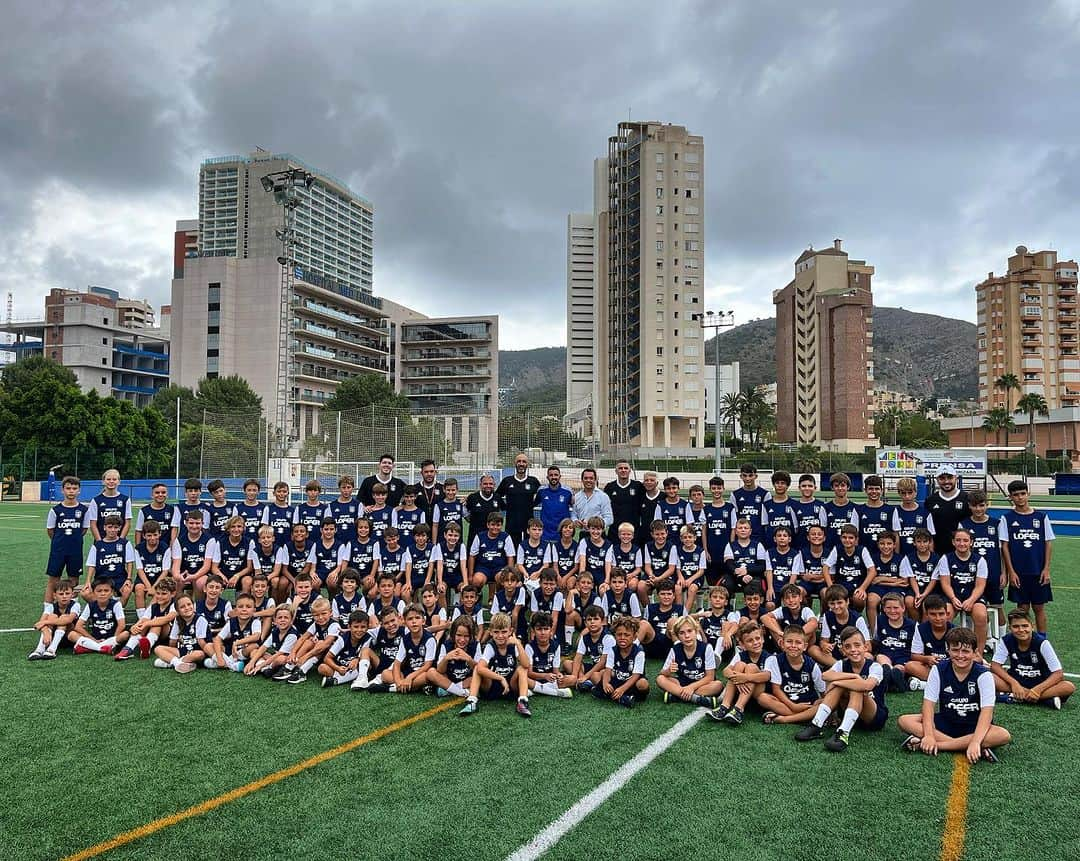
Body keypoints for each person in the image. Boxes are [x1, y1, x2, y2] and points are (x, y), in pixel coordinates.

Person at [897, 627, 1011, 763]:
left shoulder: (984, 675)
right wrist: (928, 735)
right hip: (947, 721)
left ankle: (940, 745)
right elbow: (928, 706)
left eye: (966, 651)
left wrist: (975, 741)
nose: (960, 655)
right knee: (904, 721)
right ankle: (974, 746)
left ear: (975, 653)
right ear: (948, 650)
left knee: (1003, 735)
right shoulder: (938, 669)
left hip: (974, 725)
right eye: (955, 650)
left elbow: (987, 714)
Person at [795, 626, 888, 752]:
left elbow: (867, 686)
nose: (853, 650)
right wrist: (853, 677)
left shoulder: (875, 666)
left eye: (857, 645)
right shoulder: (841, 664)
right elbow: (825, 675)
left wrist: (838, 682)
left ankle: (843, 734)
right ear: (843, 650)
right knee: (842, 686)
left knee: (857, 689)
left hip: (873, 717)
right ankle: (816, 725)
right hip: (848, 714)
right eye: (848, 647)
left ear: (865, 647)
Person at [999, 479, 1054, 634]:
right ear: (1010, 497)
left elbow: (1048, 544)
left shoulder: (1041, 517)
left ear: (1028, 494)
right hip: (1019, 572)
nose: (1020, 498)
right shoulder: (1007, 518)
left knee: (1039, 607)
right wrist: (1011, 572)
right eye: (1016, 495)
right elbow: (1004, 546)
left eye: (1023, 494)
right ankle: (1022, 638)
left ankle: (1042, 641)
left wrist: (1046, 569)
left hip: (1038, 571)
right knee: (1022, 608)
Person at [991, 609, 1074, 708]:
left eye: (1025, 626)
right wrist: (1014, 683)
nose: (1021, 630)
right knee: (989, 676)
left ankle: (1015, 697)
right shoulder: (1006, 640)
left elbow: (1058, 673)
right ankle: (1044, 700)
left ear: (1032, 626)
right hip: (1017, 681)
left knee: (1068, 687)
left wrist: (1037, 690)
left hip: (1041, 684)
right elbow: (995, 666)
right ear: (1010, 628)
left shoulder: (1042, 643)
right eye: (1016, 626)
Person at [461, 612, 532, 717]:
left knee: (522, 669)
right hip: (492, 687)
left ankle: (522, 701)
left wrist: (518, 643)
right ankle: (471, 701)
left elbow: (526, 665)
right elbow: (480, 668)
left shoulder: (513, 645)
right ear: (490, 632)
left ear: (510, 631)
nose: (500, 636)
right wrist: (500, 678)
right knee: (477, 668)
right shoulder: (491, 646)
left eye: (504, 632)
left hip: (511, 688)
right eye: (496, 632)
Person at [934, 526, 989, 654]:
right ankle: (945, 651)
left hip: (973, 596)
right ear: (953, 542)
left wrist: (971, 600)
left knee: (981, 615)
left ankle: (978, 653)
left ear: (971, 542)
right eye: (958, 540)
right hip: (952, 595)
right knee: (943, 617)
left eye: (965, 540)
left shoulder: (980, 560)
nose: (962, 543)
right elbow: (945, 583)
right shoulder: (945, 559)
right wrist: (953, 598)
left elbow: (980, 585)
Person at [757, 626, 825, 726]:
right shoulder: (775, 660)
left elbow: (823, 692)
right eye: (789, 641)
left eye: (798, 642)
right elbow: (776, 690)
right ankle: (805, 718)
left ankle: (785, 719)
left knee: (824, 703)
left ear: (805, 646)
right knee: (762, 698)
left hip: (807, 704)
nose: (793, 646)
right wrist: (793, 706)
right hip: (786, 703)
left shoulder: (812, 665)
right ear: (782, 644)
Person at [962, 490, 1005, 644]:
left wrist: (1004, 572)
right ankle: (979, 639)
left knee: (997, 607)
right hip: (972, 575)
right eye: (974, 506)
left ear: (987, 505)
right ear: (969, 506)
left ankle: (1001, 639)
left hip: (994, 573)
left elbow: (1001, 550)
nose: (978, 509)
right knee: (975, 608)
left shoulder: (997, 523)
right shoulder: (964, 524)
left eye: (982, 505)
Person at [707, 621, 771, 723]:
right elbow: (725, 671)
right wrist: (737, 679)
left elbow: (767, 676)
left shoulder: (769, 657)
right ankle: (724, 706)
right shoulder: (740, 655)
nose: (755, 643)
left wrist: (744, 677)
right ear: (742, 644)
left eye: (758, 638)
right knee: (739, 665)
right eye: (750, 640)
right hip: (741, 690)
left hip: (759, 695)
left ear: (763, 639)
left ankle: (738, 709)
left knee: (751, 667)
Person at [656, 615, 722, 707]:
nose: (687, 636)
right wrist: (669, 671)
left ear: (696, 631)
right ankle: (696, 699)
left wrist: (691, 687)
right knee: (660, 679)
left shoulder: (707, 648)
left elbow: (710, 677)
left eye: (690, 631)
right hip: (682, 682)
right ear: (678, 636)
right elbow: (662, 673)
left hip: (701, 684)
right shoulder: (675, 649)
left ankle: (676, 696)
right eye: (682, 633)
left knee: (717, 685)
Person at [44, 476, 89, 604]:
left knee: (74, 580)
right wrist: (60, 541)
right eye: (68, 488)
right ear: (62, 490)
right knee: (53, 580)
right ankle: (48, 608)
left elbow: (84, 530)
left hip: (75, 550)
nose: (71, 491)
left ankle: (72, 608)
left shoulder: (83, 510)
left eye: (74, 488)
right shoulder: (55, 510)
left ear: (79, 491)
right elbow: (50, 531)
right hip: (58, 550)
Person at [281, 596, 341, 684]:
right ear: (312, 615)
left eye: (323, 613)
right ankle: (290, 666)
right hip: (320, 655)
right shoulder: (315, 624)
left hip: (334, 657)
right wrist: (293, 652)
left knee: (321, 643)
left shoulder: (334, 625)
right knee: (308, 641)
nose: (320, 617)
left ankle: (302, 672)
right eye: (316, 615)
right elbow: (302, 638)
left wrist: (305, 657)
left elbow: (326, 645)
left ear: (330, 613)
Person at [116, 576, 177, 661]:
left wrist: (147, 623)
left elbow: (168, 618)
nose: (160, 596)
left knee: (157, 624)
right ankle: (128, 649)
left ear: (173, 594)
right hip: (153, 635)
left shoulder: (175, 605)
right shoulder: (153, 607)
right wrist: (135, 626)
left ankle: (147, 645)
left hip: (167, 639)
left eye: (164, 594)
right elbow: (143, 619)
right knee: (144, 623)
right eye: (158, 593)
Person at [809, 585, 870, 668]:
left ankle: (840, 667)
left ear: (847, 601)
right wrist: (825, 646)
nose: (836, 607)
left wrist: (848, 650)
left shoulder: (858, 619)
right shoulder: (827, 616)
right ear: (828, 604)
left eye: (839, 603)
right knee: (813, 650)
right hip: (834, 654)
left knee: (868, 656)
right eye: (832, 604)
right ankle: (840, 667)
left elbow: (868, 646)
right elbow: (823, 641)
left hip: (852, 653)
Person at [595, 616, 650, 707]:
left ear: (634, 637)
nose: (622, 638)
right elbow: (608, 670)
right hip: (618, 680)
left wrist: (622, 689)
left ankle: (616, 695)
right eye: (619, 634)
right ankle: (623, 698)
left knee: (643, 684)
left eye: (627, 635)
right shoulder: (613, 650)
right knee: (601, 674)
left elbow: (636, 675)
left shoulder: (639, 652)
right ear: (615, 635)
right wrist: (605, 684)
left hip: (632, 683)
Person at [82, 515, 135, 605]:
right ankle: (101, 608)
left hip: (119, 579)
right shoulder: (97, 545)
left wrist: (129, 579)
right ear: (104, 527)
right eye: (110, 527)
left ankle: (118, 611)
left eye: (115, 527)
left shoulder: (125, 543)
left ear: (119, 528)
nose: (112, 530)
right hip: (102, 579)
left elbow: (129, 562)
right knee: (85, 593)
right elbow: (92, 565)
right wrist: (88, 581)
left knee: (127, 590)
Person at [874, 592, 921, 692]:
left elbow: (917, 647)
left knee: (898, 669)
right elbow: (876, 639)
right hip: (885, 654)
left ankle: (893, 681)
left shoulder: (912, 625)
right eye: (888, 608)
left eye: (896, 608)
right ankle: (888, 676)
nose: (892, 611)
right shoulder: (880, 620)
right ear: (884, 609)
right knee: (881, 659)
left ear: (903, 608)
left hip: (903, 656)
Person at [69, 578, 129, 655]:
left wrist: (112, 639)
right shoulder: (90, 606)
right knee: (71, 635)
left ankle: (90, 647)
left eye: (106, 591)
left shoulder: (116, 604)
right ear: (93, 593)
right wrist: (93, 639)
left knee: (125, 634)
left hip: (113, 638)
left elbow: (122, 625)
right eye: (99, 591)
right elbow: (78, 626)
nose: (103, 593)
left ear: (112, 593)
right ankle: (101, 648)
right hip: (95, 639)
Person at [351, 606, 405, 691]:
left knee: (386, 675)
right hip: (380, 665)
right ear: (381, 624)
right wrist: (347, 631)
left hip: (397, 669)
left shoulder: (406, 632)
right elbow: (362, 631)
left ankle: (386, 685)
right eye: (386, 623)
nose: (390, 625)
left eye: (393, 620)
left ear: (398, 618)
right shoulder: (379, 631)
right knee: (365, 650)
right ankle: (362, 678)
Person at [823, 523, 874, 612]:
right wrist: (831, 586)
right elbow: (825, 567)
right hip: (840, 587)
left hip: (857, 586)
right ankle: (825, 617)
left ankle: (856, 617)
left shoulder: (862, 550)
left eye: (851, 538)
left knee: (859, 598)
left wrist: (862, 588)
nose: (847, 540)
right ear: (840, 538)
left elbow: (872, 571)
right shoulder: (837, 549)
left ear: (856, 539)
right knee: (825, 592)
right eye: (844, 537)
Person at [205, 592, 261, 671]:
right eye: (240, 607)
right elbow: (218, 638)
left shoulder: (255, 621)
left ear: (254, 610)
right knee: (208, 646)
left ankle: (216, 663)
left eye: (248, 607)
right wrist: (219, 657)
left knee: (254, 646)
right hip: (231, 651)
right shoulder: (231, 622)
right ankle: (230, 664)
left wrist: (237, 643)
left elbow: (256, 636)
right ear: (236, 609)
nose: (244, 609)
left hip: (244, 651)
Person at [28, 579, 81, 661]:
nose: (64, 596)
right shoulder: (51, 606)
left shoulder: (75, 605)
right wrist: (46, 632)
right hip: (51, 638)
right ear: (55, 595)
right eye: (61, 594)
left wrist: (46, 622)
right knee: (52, 616)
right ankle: (39, 650)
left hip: (69, 637)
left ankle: (52, 650)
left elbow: (69, 620)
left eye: (67, 593)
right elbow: (40, 623)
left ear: (72, 595)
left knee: (64, 618)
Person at [429, 616, 481, 698]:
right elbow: (440, 670)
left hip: (466, 680)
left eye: (466, 636)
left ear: (471, 636)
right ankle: (462, 692)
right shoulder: (446, 645)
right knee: (431, 672)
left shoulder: (475, 645)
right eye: (459, 635)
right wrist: (446, 658)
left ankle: (449, 690)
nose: (462, 640)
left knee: (480, 676)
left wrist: (468, 659)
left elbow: (479, 669)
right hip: (449, 679)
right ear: (453, 634)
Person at [906, 594, 954, 685]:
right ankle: (945, 682)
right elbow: (914, 655)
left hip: (950, 666)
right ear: (927, 615)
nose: (938, 618)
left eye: (941, 614)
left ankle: (925, 685)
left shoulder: (954, 630)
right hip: (931, 667)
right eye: (933, 614)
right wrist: (927, 659)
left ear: (947, 614)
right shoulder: (920, 629)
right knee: (910, 666)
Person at [924, 465, 971, 557]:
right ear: (937, 480)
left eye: (950, 478)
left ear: (956, 478)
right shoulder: (930, 500)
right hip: (937, 552)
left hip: (961, 552)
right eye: (942, 478)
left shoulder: (966, 498)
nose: (946, 481)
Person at [524, 611, 574, 699]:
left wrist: (559, 675)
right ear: (533, 630)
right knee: (523, 679)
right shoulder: (529, 647)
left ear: (551, 630)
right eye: (539, 629)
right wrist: (544, 676)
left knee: (572, 679)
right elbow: (529, 673)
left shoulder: (556, 646)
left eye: (546, 629)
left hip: (550, 681)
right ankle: (555, 693)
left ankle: (536, 690)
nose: (543, 632)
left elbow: (556, 671)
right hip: (535, 679)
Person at [318, 610, 372, 688]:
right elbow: (327, 658)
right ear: (349, 627)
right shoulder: (342, 639)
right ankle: (349, 677)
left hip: (355, 667)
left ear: (367, 627)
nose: (359, 630)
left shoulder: (368, 638)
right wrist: (338, 668)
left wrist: (357, 660)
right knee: (322, 668)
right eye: (356, 627)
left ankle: (336, 680)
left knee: (368, 666)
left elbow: (364, 655)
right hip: (340, 667)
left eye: (363, 627)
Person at [391, 604, 438, 693]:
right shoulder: (405, 639)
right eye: (410, 619)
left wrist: (409, 677)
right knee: (385, 674)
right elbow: (397, 663)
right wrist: (398, 682)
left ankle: (394, 688)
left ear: (423, 621)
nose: (414, 622)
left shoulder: (429, 639)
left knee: (429, 675)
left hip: (422, 672)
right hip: (410, 671)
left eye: (417, 618)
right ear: (404, 622)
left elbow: (428, 665)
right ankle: (405, 686)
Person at [152, 593, 203, 673]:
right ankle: (179, 663)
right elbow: (173, 641)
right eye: (182, 607)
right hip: (182, 650)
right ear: (178, 611)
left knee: (199, 654)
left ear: (194, 606)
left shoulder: (200, 619)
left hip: (195, 650)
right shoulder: (177, 620)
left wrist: (169, 657)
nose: (187, 608)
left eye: (189, 604)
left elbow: (202, 643)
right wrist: (171, 652)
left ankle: (173, 663)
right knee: (158, 649)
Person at [496, 454, 540, 544]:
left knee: (528, 549)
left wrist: (531, 505)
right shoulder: (507, 481)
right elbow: (496, 496)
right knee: (512, 551)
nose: (521, 464)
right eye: (519, 461)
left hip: (529, 523)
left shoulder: (533, 481)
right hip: (512, 524)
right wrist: (505, 507)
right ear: (515, 463)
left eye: (524, 462)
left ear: (527, 464)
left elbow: (540, 496)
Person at [246, 605, 300, 678]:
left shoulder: (292, 634)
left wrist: (260, 665)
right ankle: (265, 669)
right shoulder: (275, 631)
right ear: (275, 620)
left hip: (288, 660)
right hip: (274, 657)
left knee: (280, 659)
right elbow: (263, 647)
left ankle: (266, 668)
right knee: (254, 651)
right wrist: (251, 662)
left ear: (291, 620)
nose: (282, 620)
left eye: (286, 617)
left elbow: (279, 654)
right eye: (280, 617)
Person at [171, 509, 214, 600]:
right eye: (191, 523)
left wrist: (194, 576)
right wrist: (178, 576)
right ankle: (179, 608)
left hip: (202, 574)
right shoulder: (178, 540)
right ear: (186, 523)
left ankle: (199, 608)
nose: (194, 526)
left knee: (200, 582)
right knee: (176, 582)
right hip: (185, 573)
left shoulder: (209, 540)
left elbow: (207, 566)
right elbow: (176, 564)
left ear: (202, 523)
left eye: (197, 523)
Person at [568, 605, 613, 691]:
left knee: (596, 676)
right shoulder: (584, 637)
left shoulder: (608, 637)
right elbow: (578, 657)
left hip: (607, 669)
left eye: (596, 619)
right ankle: (583, 682)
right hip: (594, 666)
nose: (592, 622)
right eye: (589, 619)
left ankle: (588, 681)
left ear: (602, 621)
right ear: (585, 623)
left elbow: (603, 662)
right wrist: (574, 676)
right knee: (567, 664)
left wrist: (586, 676)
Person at [638, 579, 685, 660]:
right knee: (643, 623)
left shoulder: (680, 609)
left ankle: (681, 654)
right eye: (663, 594)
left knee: (673, 621)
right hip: (652, 644)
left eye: (669, 594)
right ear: (658, 595)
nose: (666, 597)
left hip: (671, 645)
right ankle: (632, 651)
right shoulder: (650, 608)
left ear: (674, 596)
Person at [468, 512, 515, 591]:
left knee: (504, 579)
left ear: (501, 525)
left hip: (499, 568)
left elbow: (510, 557)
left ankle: (499, 598)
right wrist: (470, 575)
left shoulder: (506, 537)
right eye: (493, 524)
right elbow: (472, 556)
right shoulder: (479, 536)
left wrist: (509, 573)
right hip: (483, 568)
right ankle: (478, 597)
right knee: (476, 580)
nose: (495, 527)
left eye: (498, 525)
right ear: (488, 525)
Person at [703, 476, 736, 587]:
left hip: (726, 551)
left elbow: (733, 529)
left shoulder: (730, 508)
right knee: (712, 582)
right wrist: (706, 550)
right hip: (712, 551)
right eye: (714, 488)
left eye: (719, 488)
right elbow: (704, 531)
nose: (716, 490)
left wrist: (731, 547)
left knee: (728, 582)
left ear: (723, 489)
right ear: (710, 489)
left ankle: (730, 604)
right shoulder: (706, 509)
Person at [900, 527, 940, 617]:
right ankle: (916, 625)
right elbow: (912, 578)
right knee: (909, 601)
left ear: (930, 542)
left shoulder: (937, 559)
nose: (922, 544)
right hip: (915, 589)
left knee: (927, 604)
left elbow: (933, 580)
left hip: (931, 590)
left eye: (925, 541)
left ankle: (924, 627)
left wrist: (924, 595)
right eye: (919, 541)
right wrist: (918, 594)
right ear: (914, 543)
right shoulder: (908, 558)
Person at [722, 518, 768, 596]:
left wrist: (747, 571)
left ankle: (756, 607)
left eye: (746, 528)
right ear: (736, 531)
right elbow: (729, 565)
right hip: (735, 575)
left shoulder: (758, 545)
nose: (743, 530)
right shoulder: (730, 545)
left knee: (756, 585)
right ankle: (728, 607)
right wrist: (740, 576)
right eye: (740, 528)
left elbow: (762, 566)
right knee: (727, 584)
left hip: (752, 575)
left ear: (750, 531)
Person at [604, 460, 645, 544]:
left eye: (626, 468)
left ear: (630, 471)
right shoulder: (610, 487)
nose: (623, 470)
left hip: (634, 531)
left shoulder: (638, 486)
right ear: (616, 471)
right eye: (620, 468)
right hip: (615, 531)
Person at [855, 475, 899, 551]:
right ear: (865, 490)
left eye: (877, 489)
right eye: (871, 489)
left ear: (882, 490)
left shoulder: (891, 510)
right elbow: (855, 535)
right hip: (864, 556)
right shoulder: (858, 510)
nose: (874, 491)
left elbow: (896, 535)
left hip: (886, 556)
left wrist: (896, 556)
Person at [894, 476, 934, 558]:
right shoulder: (895, 512)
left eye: (910, 492)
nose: (907, 496)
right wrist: (896, 558)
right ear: (899, 493)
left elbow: (931, 538)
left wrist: (931, 559)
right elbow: (896, 537)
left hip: (921, 558)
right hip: (902, 557)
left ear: (915, 492)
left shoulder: (925, 513)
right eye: (903, 493)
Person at [211, 515, 253, 593]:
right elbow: (214, 568)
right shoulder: (220, 542)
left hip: (241, 576)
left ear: (243, 528)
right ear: (228, 529)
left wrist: (237, 576)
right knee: (214, 581)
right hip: (224, 576)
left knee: (247, 581)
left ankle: (244, 603)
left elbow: (249, 567)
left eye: (239, 526)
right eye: (233, 527)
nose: (236, 529)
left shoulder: (249, 542)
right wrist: (222, 577)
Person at [306, 518, 348, 595]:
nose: (329, 531)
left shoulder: (340, 545)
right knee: (314, 583)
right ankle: (318, 599)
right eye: (326, 529)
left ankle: (333, 599)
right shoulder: (316, 545)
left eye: (331, 529)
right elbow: (313, 565)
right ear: (321, 530)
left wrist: (335, 572)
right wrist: (312, 572)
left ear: (335, 530)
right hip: (320, 572)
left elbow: (339, 566)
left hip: (333, 571)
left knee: (332, 582)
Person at [87, 468, 131, 540]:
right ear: (103, 481)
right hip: (101, 540)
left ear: (119, 482)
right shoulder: (96, 501)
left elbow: (127, 523)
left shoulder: (125, 500)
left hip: (119, 542)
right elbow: (93, 524)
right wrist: (100, 541)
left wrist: (121, 540)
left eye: (114, 479)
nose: (111, 481)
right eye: (108, 479)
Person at [760, 470, 798, 550]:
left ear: (787, 486)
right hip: (771, 547)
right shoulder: (766, 505)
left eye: (783, 483)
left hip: (790, 548)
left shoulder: (794, 504)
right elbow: (765, 527)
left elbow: (796, 528)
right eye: (777, 483)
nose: (780, 486)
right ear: (774, 485)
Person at [731, 463, 767, 545]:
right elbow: (734, 520)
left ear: (756, 476)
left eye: (750, 475)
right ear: (741, 476)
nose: (747, 478)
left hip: (759, 537)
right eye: (745, 475)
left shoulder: (764, 494)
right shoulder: (735, 495)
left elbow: (766, 521)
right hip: (741, 538)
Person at [535, 466, 573, 543]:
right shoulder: (541, 491)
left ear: (560, 476)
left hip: (563, 533)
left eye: (556, 475)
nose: (553, 477)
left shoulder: (568, 491)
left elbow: (574, 507)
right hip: (545, 534)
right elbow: (533, 503)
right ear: (547, 477)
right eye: (551, 475)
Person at [433, 522, 467, 608]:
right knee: (441, 590)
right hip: (445, 577)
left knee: (465, 591)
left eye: (456, 536)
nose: (452, 538)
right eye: (450, 535)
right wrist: (440, 582)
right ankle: (444, 616)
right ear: (445, 535)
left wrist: (466, 583)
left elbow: (463, 566)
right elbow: (439, 565)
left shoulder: (461, 546)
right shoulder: (440, 546)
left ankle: (459, 615)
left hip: (457, 577)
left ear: (459, 536)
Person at [673, 524, 707, 610]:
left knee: (692, 588)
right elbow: (677, 568)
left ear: (695, 538)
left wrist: (690, 580)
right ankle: (679, 611)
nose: (687, 539)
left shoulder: (700, 551)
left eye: (690, 537)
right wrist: (681, 578)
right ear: (681, 539)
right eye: (685, 537)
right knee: (677, 588)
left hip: (696, 578)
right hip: (682, 576)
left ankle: (685, 614)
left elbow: (701, 571)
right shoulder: (678, 550)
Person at [822, 472, 858, 552]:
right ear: (832, 487)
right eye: (836, 486)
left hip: (848, 551)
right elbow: (822, 531)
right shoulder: (825, 508)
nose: (840, 488)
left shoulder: (855, 508)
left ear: (848, 487)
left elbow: (855, 533)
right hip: (829, 550)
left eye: (843, 485)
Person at [791, 474, 827, 551]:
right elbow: (795, 529)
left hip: (818, 549)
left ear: (815, 488)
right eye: (804, 486)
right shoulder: (794, 507)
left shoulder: (821, 505)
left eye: (810, 486)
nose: (807, 488)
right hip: (800, 548)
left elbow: (824, 529)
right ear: (799, 488)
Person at [576, 516, 613, 593]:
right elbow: (582, 564)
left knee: (604, 590)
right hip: (588, 574)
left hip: (601, 575)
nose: (595, 532)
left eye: (598, 529)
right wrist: (580, 580)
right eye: (593, 528)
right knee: (583, 589)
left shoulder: (608, 545)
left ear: (603, 530)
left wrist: (606, 581)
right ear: (588, 529)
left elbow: (608, 565)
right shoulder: (584, 542)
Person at [573, 468, 613, 532]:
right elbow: (573, 514)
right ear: (582, 480)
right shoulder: (577, 496)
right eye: (585, 478)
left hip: (598, 534)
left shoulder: (603, 496)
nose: (588, 480)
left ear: (595, 480)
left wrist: (595, 525)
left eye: (591, 478)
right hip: (583, 534)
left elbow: (609, 518)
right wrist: (575, 521)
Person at [401, 524, 434, 602]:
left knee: (427, 594)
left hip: (426, 578)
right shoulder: (409, 548)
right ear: (414, 537)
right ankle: (411, 611)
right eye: (418, 536)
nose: (420, 538)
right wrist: (408, 582)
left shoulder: (432, 547)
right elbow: (408, 565)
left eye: (423, 536)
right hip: (414, 579)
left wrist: (427, 581)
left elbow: (431, 565)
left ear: (427, 537)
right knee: (405, 593)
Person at [465, 473, 502, 541]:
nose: (488, 486)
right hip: (475, 537)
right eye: (485, 484)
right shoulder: (472, 497)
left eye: (490, 484)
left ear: (494, 485)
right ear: (480, 485)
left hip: (493, 538)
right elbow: (466, 513)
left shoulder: (497, 497)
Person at [516, 518, 548, 592]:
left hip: (540, 575)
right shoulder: (522, 545)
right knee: (518, 587)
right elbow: (519, 564)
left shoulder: (546, 545)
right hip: (525, 575)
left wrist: (537, 573)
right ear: (528, 531)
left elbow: (546, 565)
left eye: (539, 530)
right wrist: (525, 574)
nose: (537, 532)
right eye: (534, 529)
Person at [654, 477, 689, 543]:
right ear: (664, 490)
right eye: (668, 488)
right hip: (666, 542)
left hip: (682, 542)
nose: (671, 491)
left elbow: (689, 525)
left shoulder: (685, 504)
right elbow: (657, 525)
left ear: (678, 488)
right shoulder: (660, 505)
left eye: (674, 488)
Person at [431, 478, 464, 547]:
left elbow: (468, 519)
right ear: (444, 490)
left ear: (457, 490)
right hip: (442, 542)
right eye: (448, 490)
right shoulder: (438, 506)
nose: (450, 492)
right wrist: (434, 544)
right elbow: (435, 526)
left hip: (457, 542)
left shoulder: (461, 504)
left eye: (453, 490)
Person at [234, 479, 267, 544]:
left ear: (258, 492)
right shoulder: (237, 508)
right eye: (249, 490)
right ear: (244, 491)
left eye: (254, 490)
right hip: (242, 543)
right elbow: (235, 528)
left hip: (258, 544)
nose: (251, 493)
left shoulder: (264, 508)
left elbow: (264, 529)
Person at [265, 481, 294, 548]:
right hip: (272, 546)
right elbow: (265, 529)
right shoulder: (268, 509)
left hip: (287, 546)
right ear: (274, 493)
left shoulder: (292, 510)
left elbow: (293, 530)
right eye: (279, 491)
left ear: (288, 493)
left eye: (284, 491)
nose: (281, 494)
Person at [415, 460, 444, 527]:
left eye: (431, 471)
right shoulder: (415, 489)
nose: (429, 474)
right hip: (420, 530)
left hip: (438, 528)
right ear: (421, 473)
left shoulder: (442, 489)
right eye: (426, 472)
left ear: (435, 472)